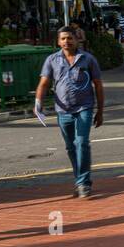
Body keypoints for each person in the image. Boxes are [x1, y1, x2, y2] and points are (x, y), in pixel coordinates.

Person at [35, 26, 105, 199]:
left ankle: (84, 183)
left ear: (77, 39)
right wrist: (38, 103)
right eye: (63, 39)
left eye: (70, 38)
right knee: (71, 147)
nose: (67, 41)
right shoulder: (52, 60)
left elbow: (98, 84)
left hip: (84, 108)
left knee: (81, 142)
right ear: (58, 42)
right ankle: (79, 180)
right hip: (63, 111)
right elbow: (44, 83)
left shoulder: (87, 59)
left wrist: (100, 111)